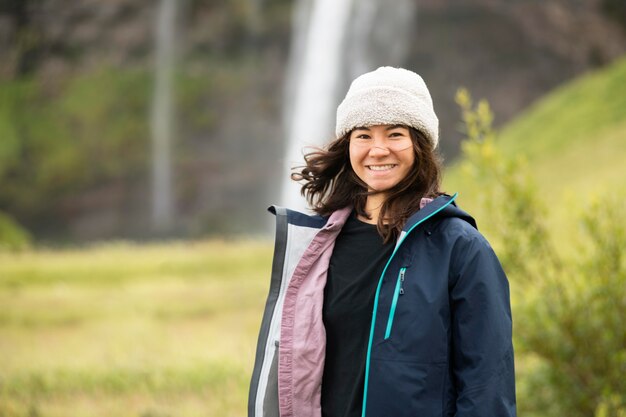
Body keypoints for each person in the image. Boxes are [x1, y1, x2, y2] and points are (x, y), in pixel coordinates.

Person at [248, 67, 516, 417]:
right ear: (347, 146)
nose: (378, 150)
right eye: (363, 135)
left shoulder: (460, 248)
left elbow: (487, 387)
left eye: (395, 133)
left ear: (419, 145)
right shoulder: (317, 246)